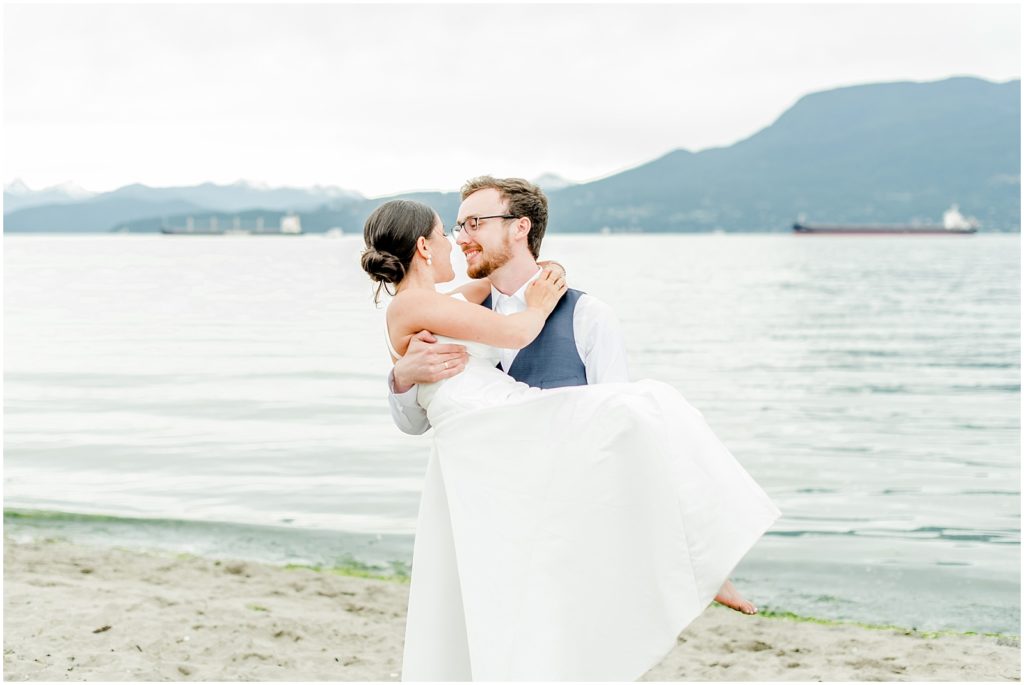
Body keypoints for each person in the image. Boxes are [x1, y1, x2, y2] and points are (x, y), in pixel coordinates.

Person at [361, 196, 781, 681]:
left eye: (472, 223)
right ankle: (704, 558)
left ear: (519, 228)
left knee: (637, 415)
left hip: (539, 469)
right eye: (448, 229)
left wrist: (543, 274)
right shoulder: (419, 306)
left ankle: (703, 563)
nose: (457, 237)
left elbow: (486, 291)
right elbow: (513, 334)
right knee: (647, 410)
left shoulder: (570, 312)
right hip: (495, 445)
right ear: (423, 247)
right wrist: (401, 376)